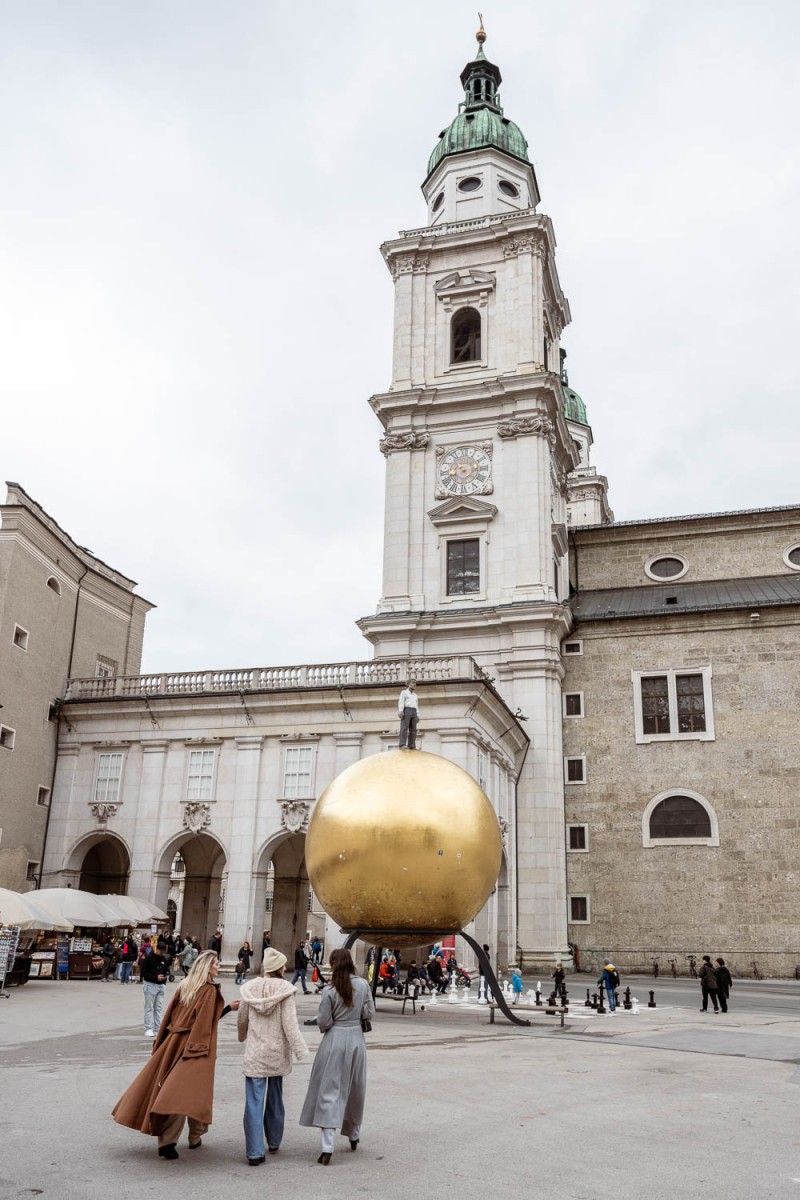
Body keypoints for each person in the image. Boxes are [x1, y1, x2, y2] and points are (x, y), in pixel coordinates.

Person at [112, 950, 239, 1159]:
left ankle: (194, 1137)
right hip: (194, 1045)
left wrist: (161, 1042)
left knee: (189, 1090)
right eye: (216, 963)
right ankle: (173, 1141)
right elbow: (204, 1023)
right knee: (181, 1093)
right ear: (207, 967)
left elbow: (169, 1015)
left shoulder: (186, 985)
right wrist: (200, 1048)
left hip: (173, 1042)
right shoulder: (209, 991)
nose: (218, 966)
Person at [299, 948, 375, 1164]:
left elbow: (323, 1021)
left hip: (334, 1040)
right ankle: (353, 1133)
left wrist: (333, 1024)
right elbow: (369, 1013)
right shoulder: (362, 985)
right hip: (356, 1040)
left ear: (333, 965)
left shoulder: (330, 990)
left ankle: (327, 1146)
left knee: (329, 1090)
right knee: (354, 1087)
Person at [237, 947, 309, 1165]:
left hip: (256, 1053)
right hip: (276, 1051)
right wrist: (301, 1050)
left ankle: (254, 1152)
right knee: (275, 1098)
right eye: (283, 965)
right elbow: (290, 1025)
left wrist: (242, 1036)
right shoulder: (286, 990)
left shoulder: (248, 989)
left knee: (254, 1102)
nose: (285, 968)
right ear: (278, 969)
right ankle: (274, 1140)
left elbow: (242, 1019)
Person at [141, 938, 171, 1037]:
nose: (162, 953)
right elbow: (144, 973)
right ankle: (148, 1028)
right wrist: (155, 977)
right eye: (161, 951)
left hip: (160, 985)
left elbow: (166, 970)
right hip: (150, 984)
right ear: (156, 949)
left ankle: (158, 1028)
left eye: (164, 951)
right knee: (149, 1007)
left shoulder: (164, 959)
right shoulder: (149, 958)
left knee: (158, 1008)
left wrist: (165, 978)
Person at [398, 680, 419, 750]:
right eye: (412, 683)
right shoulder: (404, 692)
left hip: (414, 711)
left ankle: (412, 745)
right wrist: (401, 710)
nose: (414, 684)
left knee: (413, 729)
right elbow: (401, 702)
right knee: (404, 727)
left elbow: (417, 705)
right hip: (407, 710)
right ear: (408, 684)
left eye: (415, 683)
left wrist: (418, 715)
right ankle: (402, 744)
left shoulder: (415, 695)